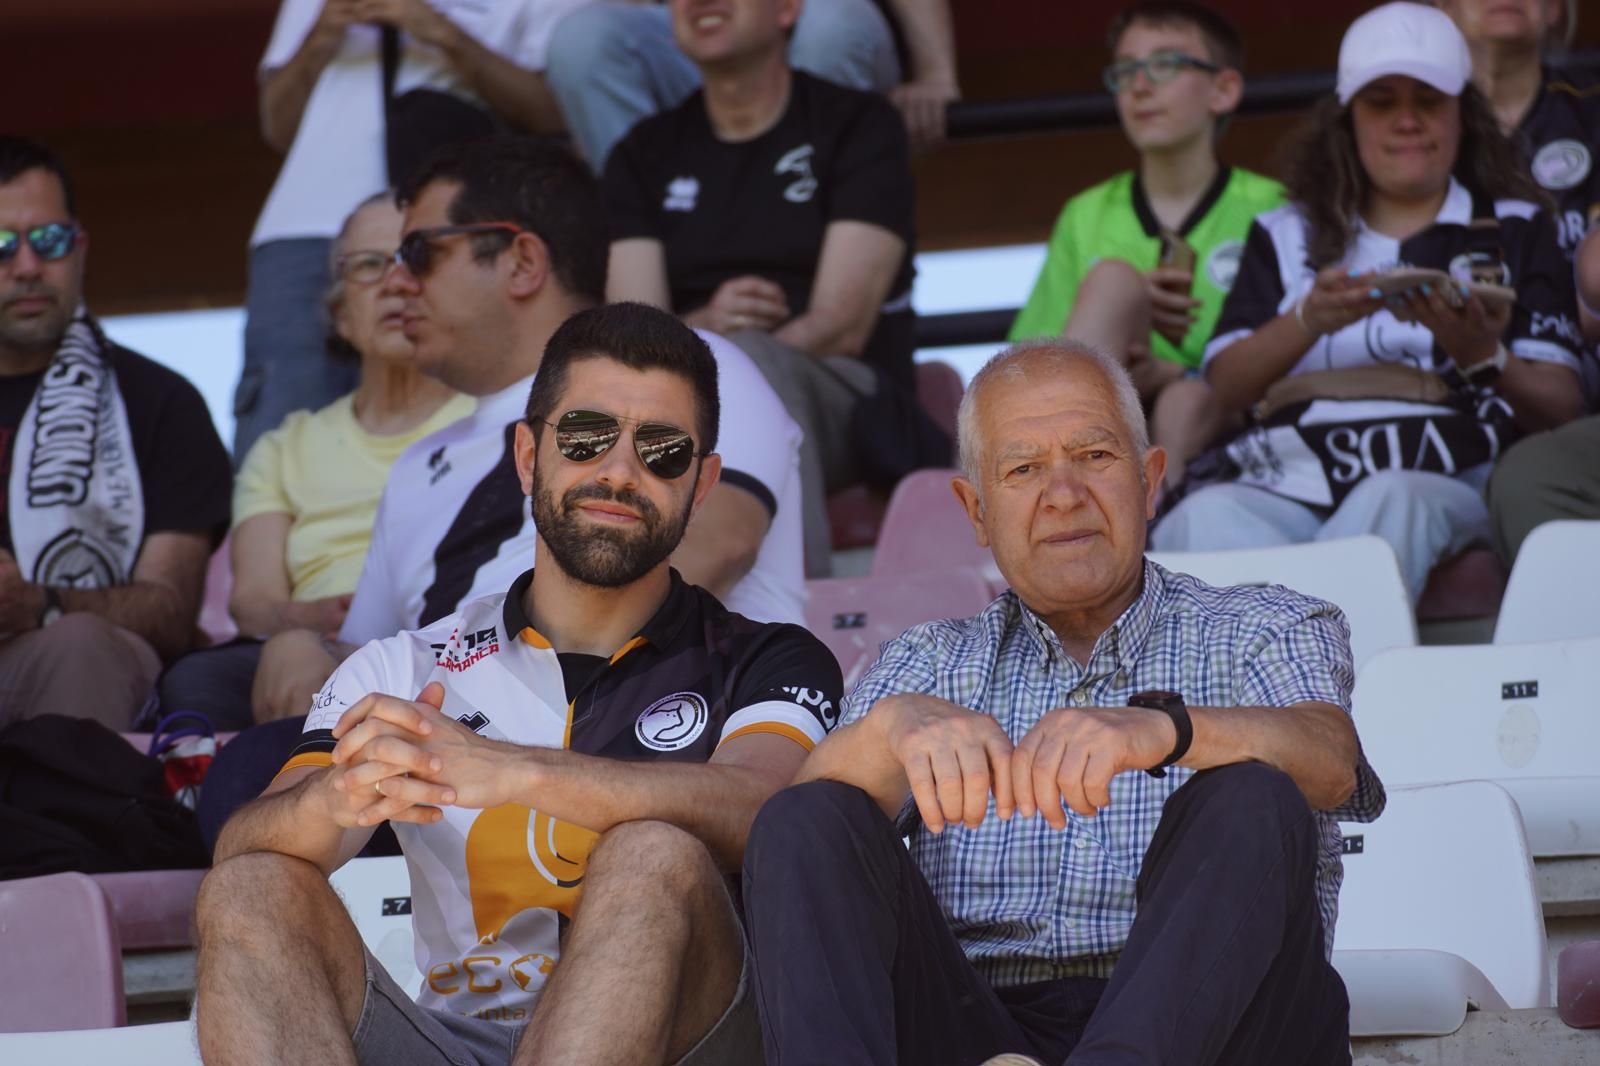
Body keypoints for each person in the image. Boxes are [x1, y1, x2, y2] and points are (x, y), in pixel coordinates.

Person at [193, 301, 844, 1066]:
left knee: (651, 853)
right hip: (456, 1038)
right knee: (248, 889)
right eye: (586, 437)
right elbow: (245, 845)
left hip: (689, 1038)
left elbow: (763, 806)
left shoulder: (771, 658)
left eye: (662, 450)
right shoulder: (405, 667)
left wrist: (514, 772)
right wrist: (334, 796)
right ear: (529, 457)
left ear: (701, 486)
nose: (619, 471)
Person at [739, 340, 1384, 1065]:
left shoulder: (1262, 624)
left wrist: (1167, 730)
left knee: (1252, 792)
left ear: (1150, 482)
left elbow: (1333, 764)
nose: (1064, 494)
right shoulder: (927, 661)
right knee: (806, 814)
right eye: (1023, 469)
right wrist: (888, 728)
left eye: (1095, 457)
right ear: (976, 511)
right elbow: (799, 859)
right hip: (976, 1033)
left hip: (1223, 1032)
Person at [241, 136, 802, 766]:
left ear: (521, 262)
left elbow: (711, 547)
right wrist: (306, 648)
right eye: (584, 438)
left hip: (644, 742)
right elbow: (382, 649)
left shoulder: (692, 374)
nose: (395, 282)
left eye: (419, 253)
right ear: (527, 453)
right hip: (440, 762)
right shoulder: (420, 464)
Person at [1150, 2, 1583, 602]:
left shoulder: (1517, 227)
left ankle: (1322, 691)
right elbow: (1224, 387)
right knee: (1203, 518)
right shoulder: (1284, 232)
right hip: (1288, 475)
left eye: (1427, 101)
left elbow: (1564, 404)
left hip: (1441, 473)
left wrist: (1483, 353)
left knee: (1392, 499)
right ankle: (1232, 699)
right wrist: (1308, 320)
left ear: (1465, 113)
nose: (1407, 121)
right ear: (1347, 118)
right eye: (1382, 102)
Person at [604, 0, 925, 576]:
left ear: (788, 8)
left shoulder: (858, 123)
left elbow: (841, 324)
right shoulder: (642, 153)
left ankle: (796, 638)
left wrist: (728, 358)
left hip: (848, 399)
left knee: (752, 363)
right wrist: (705, 329)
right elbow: (634, 336)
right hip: (691, 395)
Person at [155, 193, 471, 731]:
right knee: (199, 682)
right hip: (314, 647)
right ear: (339, 314)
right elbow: (253, 601)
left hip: (453, 637)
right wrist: (310, 624)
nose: (395, 281)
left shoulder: (494, 420)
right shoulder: (284, 446)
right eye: (370, 265)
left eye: (412, 258)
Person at [236, 0, 583, 461]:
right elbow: (277, 125)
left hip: (451, 230)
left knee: (452, 429)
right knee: (280, 425)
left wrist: (438, 30)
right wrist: (324, 30)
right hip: (303, 225)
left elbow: (554, 112)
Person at [0, 137, 231, 730]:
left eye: (47, 241)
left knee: (78, 642)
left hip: (65, 657)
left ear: (80, 247)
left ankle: (62, 824)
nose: (26, 266)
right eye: (1, 245)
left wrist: (42, 603)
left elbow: (171, 611)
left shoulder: (161, 401)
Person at [1009, 3, 1283, 490]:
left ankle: (1150, 523)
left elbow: (1290, 362)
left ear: (1224, 89)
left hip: (1231, 424)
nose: (1140, 85)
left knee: (1186, 399)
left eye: (1166, 65)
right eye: (1127, 69)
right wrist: (1129, 316)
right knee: (1114, 281)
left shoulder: (1272, 207)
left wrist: (1172, 370)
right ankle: (1044, 487)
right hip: (1090, 417)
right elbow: (1031, 366)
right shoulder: (1085, 213)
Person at [1437, 0, 1600, 561]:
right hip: (1449, 394)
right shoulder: (1407, 132)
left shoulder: (1593, 113)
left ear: (1558, 10)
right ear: (1441, 9)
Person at [547, 0, 960, 170]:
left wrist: (936, 75)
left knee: (830, 24)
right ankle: (659, 246)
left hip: (815, 28)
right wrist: (592, 106)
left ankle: (807, 232)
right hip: (710, 33)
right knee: (584, 40)